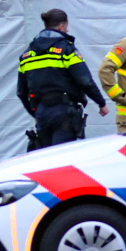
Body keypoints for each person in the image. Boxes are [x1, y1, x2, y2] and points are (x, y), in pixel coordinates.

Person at [16, 8, 108, 148]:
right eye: (67, 27)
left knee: (45, 159)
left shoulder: (26, 55)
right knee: (62, 158)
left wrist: (35, 112)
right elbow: (85, 80)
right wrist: (101, 103)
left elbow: (21, 92)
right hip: (64, 111)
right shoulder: (66, 49)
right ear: (61, 26)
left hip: (42, 112)